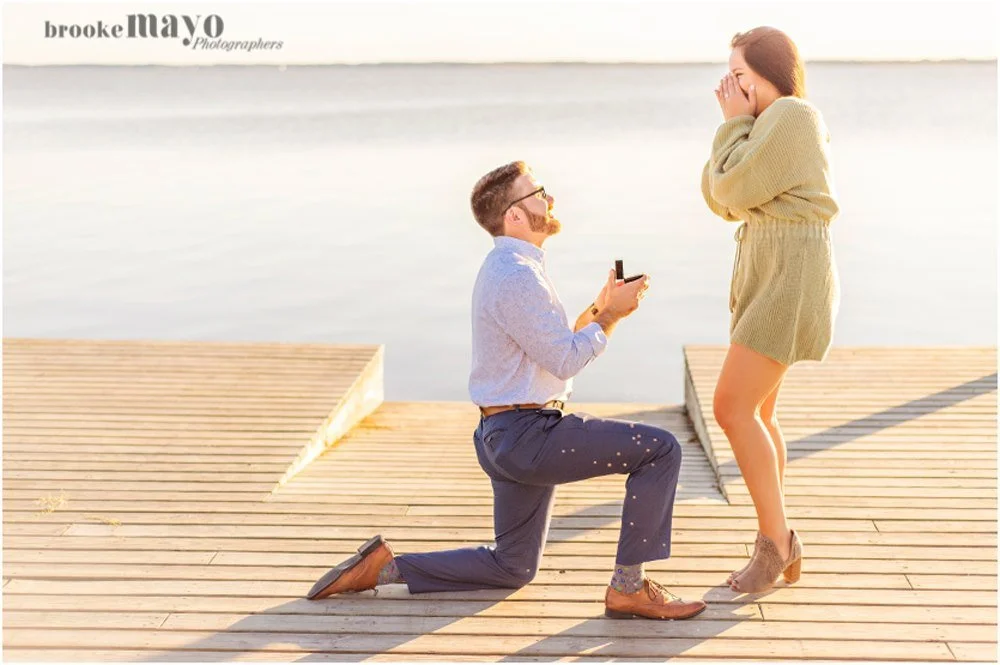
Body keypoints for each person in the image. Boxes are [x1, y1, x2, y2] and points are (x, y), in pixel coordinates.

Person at [306, 160, 706, 620]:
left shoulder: (513, 268)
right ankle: (628, 588)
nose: (549, 198)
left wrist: (602, 307)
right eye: (538, 192)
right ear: (514, 215)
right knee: (659, 450)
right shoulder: (517, 276)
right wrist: (610, 316)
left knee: (513, 566)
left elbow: (559, 345)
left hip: (506, 435)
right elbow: (567, 359)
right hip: (528, 437)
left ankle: (386, 570)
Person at [701, 26, 841, 593]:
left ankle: (776, 543)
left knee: (731, 407)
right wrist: (735, 124)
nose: (729, 86)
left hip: (790, 273)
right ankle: (778, 537)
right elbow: (718, 198)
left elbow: (730, 190)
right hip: (770, 268)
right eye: (728, 75)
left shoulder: (792, 115)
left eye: (740, 75)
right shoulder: (763, 126)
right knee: (759, 413)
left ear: (768, 75)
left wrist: (730, 123)